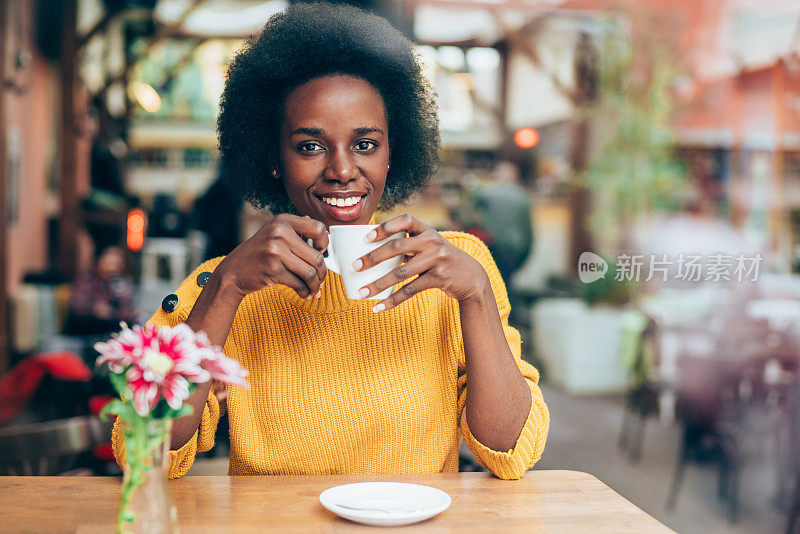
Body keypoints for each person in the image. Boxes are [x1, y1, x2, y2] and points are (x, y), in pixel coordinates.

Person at [112, 3, 549, 480]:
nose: (342, 171)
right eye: (310, 146)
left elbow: (510, 452)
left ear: (390, 154)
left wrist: (477, 295)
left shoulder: (459, 266)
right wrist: (227, 286)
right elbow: (144, 452)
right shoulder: (225, 284)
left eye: (365, 144)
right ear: (273, 157)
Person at [66, 246, 135, 337]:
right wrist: (94, 308)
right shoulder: (87, 281)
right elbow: (77, 306)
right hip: (86, 329)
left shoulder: (118, 284)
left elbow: (123, 312)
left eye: (117, 265)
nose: (112, 269)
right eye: (109, 263)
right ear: (99, 262)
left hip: (108, 329)